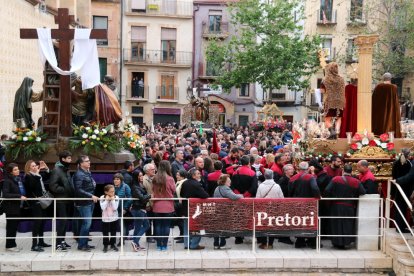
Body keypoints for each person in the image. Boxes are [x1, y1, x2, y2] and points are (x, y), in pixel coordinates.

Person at [325, 164, 366, 249]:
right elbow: (363, 192)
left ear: (343, 171)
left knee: (336, 223)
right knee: (347, 223)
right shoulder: (356, 181)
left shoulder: (336, 179)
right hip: (349, 206)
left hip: (336, 206)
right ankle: (346, 242)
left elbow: (327, 190)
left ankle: (336, 242)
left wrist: (333, 197)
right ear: (351, 172)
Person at [288, 161, 321, 249]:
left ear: (298, 169)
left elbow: (289, 191)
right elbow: (315, 188)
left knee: (299, 222)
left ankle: (300, 241)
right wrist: (318, 197)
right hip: (309, 204)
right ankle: (312, 241)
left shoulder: (293, 178)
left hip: (296, 203)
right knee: (310, 222)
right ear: (307, 169)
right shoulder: (310, 177)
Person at [24, 160, 51, 252]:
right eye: (32, 166)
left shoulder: (37, 175)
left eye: (35, 165)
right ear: (28, 168)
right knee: (37, 223)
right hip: (35, 202)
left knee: (43, 221)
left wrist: (46, 168)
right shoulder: (28, 176)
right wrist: (37, 174)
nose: (35, 167)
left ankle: (41, 241)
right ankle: (34, 245)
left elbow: (47, 176)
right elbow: (31, 187)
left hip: (42, 201)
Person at [49, 150, 74, 251]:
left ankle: (62, 241)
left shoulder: (66, 170)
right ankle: (58, 243)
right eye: (68, 158)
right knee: (62, 221)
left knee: (65, 221)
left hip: (67, 199)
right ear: (63, 159)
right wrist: (65, 190)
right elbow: (53, 186)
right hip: (60, 200)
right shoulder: (56, 170)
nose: (70, 160)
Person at [73, 155, 99, 251]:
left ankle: (85, 243)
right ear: (81, 164)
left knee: (87, 223)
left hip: (89, 201)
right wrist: (90, 196)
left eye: (89, 161)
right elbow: (78, 189)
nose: (89, 162)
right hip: (84, 203)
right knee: (86, 224)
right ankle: (81, 245)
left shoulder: (87, 172)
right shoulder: (79, 174)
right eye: (87, 161)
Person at [180, 168, 209, 250]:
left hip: (186, 209)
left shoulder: (185, 183)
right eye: (198, 174)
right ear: (193, 175)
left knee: (186, 227)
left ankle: (187, 244)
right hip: (195, 210)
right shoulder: (197, 184)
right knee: (198, 227)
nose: (200, 175)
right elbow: (205, 195)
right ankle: (194, 244)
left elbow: (182, 193)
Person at [256, 169, 284, 249]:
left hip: (263, 209)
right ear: (273, 176)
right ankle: (271, 244)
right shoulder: (277, 186)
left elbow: (257, 198)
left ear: (264, 176)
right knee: (272, 226)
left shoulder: (261, 186)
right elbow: (281, 198)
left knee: (263, 225)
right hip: (274, 208)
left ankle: (264, 243)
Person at [213, 174, 243, 249]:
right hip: (224, 210)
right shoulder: (225, 188)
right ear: (224, 182)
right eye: (229, 181)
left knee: (217, 227)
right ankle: (222, 244)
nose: (230, 182)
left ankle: (216, 244)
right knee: (223, 227)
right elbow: (234, 197)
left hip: (217, 210)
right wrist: (241, 196)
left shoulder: (217, 188)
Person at [151, 160, 176, 251]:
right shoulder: (170, 178)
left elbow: (153, 190)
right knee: (166, 226)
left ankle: (158, 245)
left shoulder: (154, 178)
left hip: (157, 204)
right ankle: (164, 245)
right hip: (168, 205)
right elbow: (173, 190)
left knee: (157, 226)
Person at [2, 163, 26, 252]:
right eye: (15, 169)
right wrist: (19, 196)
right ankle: (9, 245)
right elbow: (6, 194)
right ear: (11, 172)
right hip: (11, 208)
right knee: (11, 227)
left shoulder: (18, 179)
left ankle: (12, 244)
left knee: (14, 227)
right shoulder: (7, 181)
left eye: (18, 169)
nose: (18, 170)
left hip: (17, 207)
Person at [372, 72, 401, 137]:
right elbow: (395, 102)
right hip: (391, 110)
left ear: (383, 78)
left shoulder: (378, 87)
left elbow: (373, 100)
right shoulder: (394, 87)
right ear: (390, 79)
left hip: (380, 112)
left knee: (380, 124)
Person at [320, 62, 346, 138]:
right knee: (338, 118)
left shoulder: (325, 79)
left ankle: (332, 131)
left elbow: (322, 91)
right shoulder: (341, 79)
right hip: (340, 102)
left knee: (327, 119)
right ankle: (337, 133)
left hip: (329, 101)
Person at [130, 173, 151, 251]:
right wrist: (150, 195)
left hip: (141, 209)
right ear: (136, 177)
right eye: (139, 176)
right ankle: (135, 242)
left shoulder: (139, 185)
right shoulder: (135, 187)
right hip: (138, 209)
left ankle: (136, 243)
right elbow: (142, 198)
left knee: (145, 225)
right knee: (141, 227)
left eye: (142, 175)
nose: (141, 177)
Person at [395, 158, 414, 233]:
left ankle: (399, 227)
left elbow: (410, 176)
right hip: (405, 189)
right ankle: (400, 227)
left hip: (404, 188)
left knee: (400, 207)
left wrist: (398, 180)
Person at [113, 173, 132, 247]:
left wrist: (125, 208)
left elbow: (130, 198)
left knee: (122, 225)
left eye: (117, 179)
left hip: (122, 209)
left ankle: (122, 240)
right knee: (116, 225)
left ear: (121, 180)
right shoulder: (112, 187)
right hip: (114, 210)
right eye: (114, 179)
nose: (115, 180)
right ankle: (113, 240)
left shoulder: (125, 186)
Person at [99, 184, 119, 253]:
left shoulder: (116, 197)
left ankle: (113, 244)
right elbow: (103, 208)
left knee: (113, 231)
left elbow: (115, 208)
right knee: (105, 232)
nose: (112, 193)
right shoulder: (102, 197)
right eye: (111, 192)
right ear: (106, 192)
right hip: (105, 218)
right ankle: (105, 245)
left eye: (113, 191)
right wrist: (106, 200)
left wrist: (113, 200)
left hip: (114, 218)